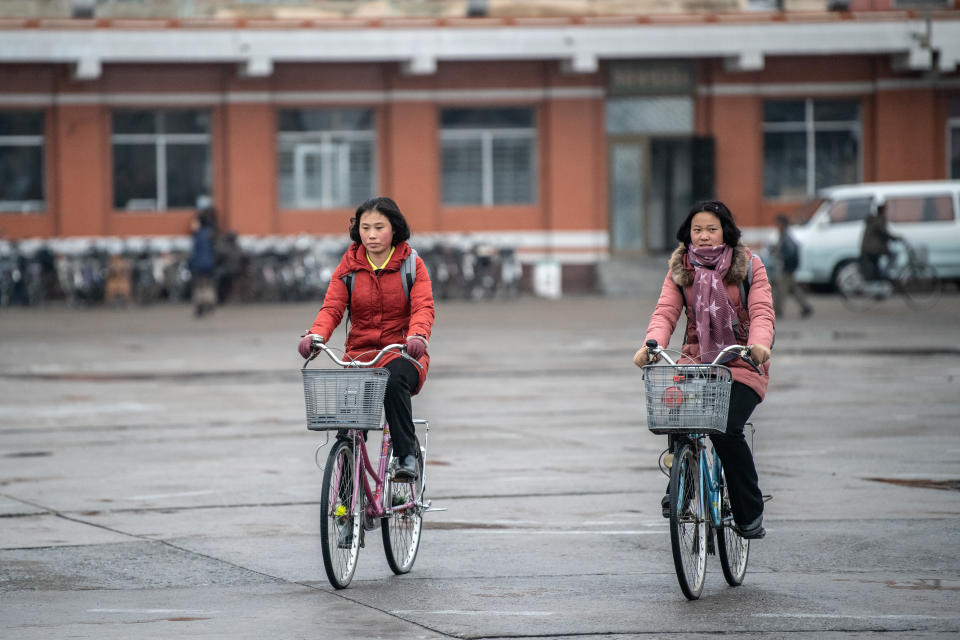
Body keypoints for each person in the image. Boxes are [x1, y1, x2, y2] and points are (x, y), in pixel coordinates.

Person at [633, 200, 775, 539]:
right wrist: (651, 344)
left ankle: (748, 510)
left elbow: (762, 312)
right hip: (697, 360)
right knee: (677, 413)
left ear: (725, 231)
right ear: (688, 234)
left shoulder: (749, 265)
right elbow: (665, 312)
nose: (705, 236)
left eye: (712, 229)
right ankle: (682, 487)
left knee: (726, 429)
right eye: (698, 230)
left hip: (740, 358)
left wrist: (759, 345)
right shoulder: (681, 269)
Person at [298, 197, 434, 481]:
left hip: (403, 353)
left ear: (394, 229)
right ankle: (346, 500)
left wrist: (418, 335)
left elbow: (423, 306)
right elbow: (332, 307)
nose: (371, 235)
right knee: (347, 427)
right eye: (365, 227)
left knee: (393, 378)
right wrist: (315, 335)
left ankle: (405, 455)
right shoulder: (349, 266)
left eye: (379, 227)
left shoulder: (412, 265)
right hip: (359, 357)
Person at [771, 214, 813, 318]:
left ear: (782, 224)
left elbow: (789, 251)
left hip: (787, 267)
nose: (777, 226)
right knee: (793, 288)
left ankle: (777, 311)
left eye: (778, 224)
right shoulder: (784, 235)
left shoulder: (786, 236)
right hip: (788, 267)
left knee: (781, 289)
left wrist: (781, 256)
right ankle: (806, 307)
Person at [860, 201, 900, 282]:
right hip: (875, 248)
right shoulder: (880, 220)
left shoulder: (871, 220)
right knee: (894, 255)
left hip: (867, 248)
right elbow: (884, 233)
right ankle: (885, 274)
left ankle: (878, 281)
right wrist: (895, 238)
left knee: (876, 267)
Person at [188, 207, 218, 317]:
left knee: (199, 286)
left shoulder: (197, 236)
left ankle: (200, 307)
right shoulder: (210, 234)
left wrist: (190, 264)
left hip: (199, 265)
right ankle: (210, 305)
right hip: (210, 264)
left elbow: (195, 253)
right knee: (208, 285)